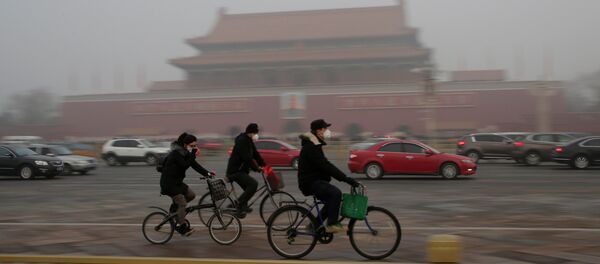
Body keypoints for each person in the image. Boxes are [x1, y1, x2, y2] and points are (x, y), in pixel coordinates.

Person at [298, 119, 359, 233]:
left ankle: (313, 226)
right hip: (310, 183)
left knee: (332, 200)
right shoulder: (311, 147)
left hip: (313, 180)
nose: (327, 131)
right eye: (325, 129)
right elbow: (325, 165)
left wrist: (344, 178)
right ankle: (331, 224)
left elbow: (324, 165)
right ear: (318, 131)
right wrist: (346, 179)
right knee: (335, 193)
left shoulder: (314, 144)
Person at [160, 132, 215, 236]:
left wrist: (207, 173)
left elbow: (194, 165)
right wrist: (193, 153)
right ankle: (181, 227)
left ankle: (174, 211)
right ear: (185, 145)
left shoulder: (185, 153)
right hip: (169, 184)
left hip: (177, 182)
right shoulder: (176, 153)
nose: (194, 147)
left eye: (195, 145)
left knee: (191, 195)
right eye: (192, 146)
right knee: (182, 203)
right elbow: (184, 165)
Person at [226, 123, 266, 218]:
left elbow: (255, 154)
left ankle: (242, 207)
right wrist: (256, 168)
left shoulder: (248, 140)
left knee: (248, 189)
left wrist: (264, 164)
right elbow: (247, 158)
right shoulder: (242, 141)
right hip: (235, 171)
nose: (256, 135)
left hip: (241, 171)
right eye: (255, 133)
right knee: (253, 184)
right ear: (251, 132)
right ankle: (238, 205)